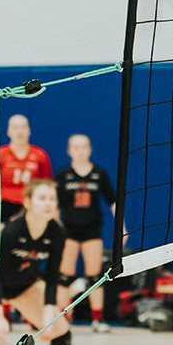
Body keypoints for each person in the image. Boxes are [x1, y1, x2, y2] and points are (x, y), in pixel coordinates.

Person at [0, 179, 85, 345]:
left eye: (51, 199)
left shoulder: (56, 233)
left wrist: (49, 314)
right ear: (28, 202)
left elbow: (52, 276)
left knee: (61, 334)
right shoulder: (12, 230)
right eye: (41, 198)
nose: (48, 203)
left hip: (24, 286)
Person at [54, 134, 116, 333]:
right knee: (64, 276)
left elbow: (113, 202)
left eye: (84, 147)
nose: (80, 151)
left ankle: (97, 319)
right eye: (76, 147)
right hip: (68, 231)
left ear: (90, 149)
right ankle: (63, 317)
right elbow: (54, 206)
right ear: (69, 150)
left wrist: (121, 228)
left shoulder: (99, 173)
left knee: (95, 276)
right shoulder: (63, 175)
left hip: (92, 230)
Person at [0, 114, 53, 237]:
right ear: (8, 131)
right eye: (15, 127)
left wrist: (52, 213)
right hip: (4, 207)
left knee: (29, 249)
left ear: (29, 130)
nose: (20, 131)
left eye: (23, 127)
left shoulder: (40, 156)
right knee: (4, 248)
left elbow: (48, 187)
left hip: (31, 208)